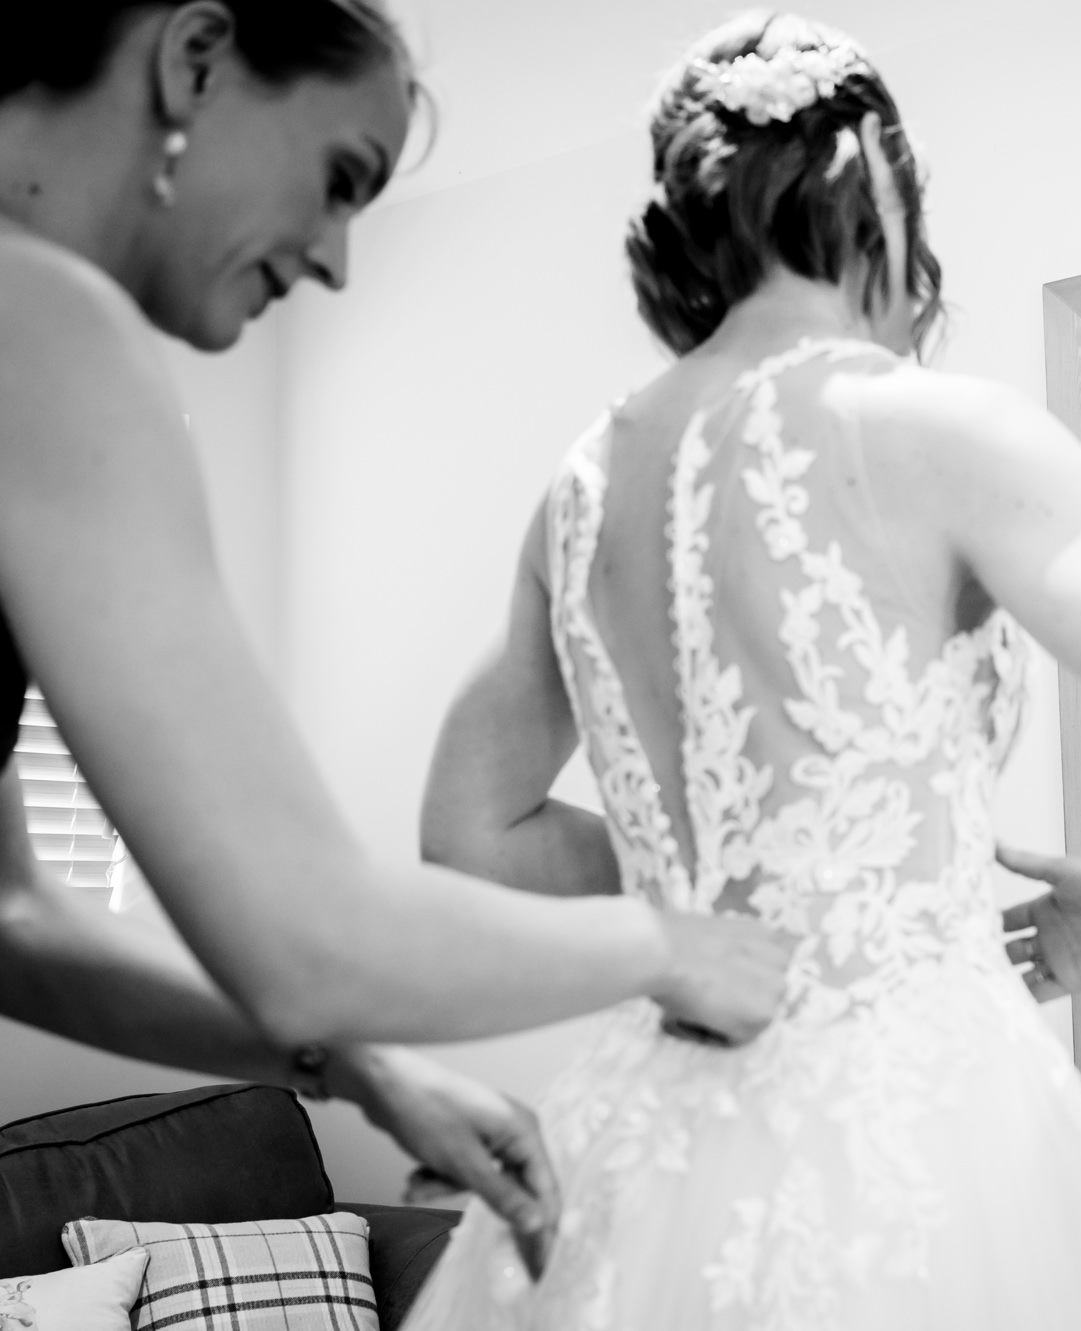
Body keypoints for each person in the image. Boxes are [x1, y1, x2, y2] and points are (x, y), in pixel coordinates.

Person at [399, 14, 1081, 1328]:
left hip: (647, 1122)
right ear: (885, 195)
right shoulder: (943, 429)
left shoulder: (582, 485)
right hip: (920, 1115)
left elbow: (465, 833)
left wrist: (708, 892)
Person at [0, 1, 795, 1271]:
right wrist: (673, 939)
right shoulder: (41, 317)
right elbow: (309, 936)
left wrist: (363, 1072)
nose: (335, 262)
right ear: (193, 58)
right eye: (340, 180)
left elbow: (16, 919)